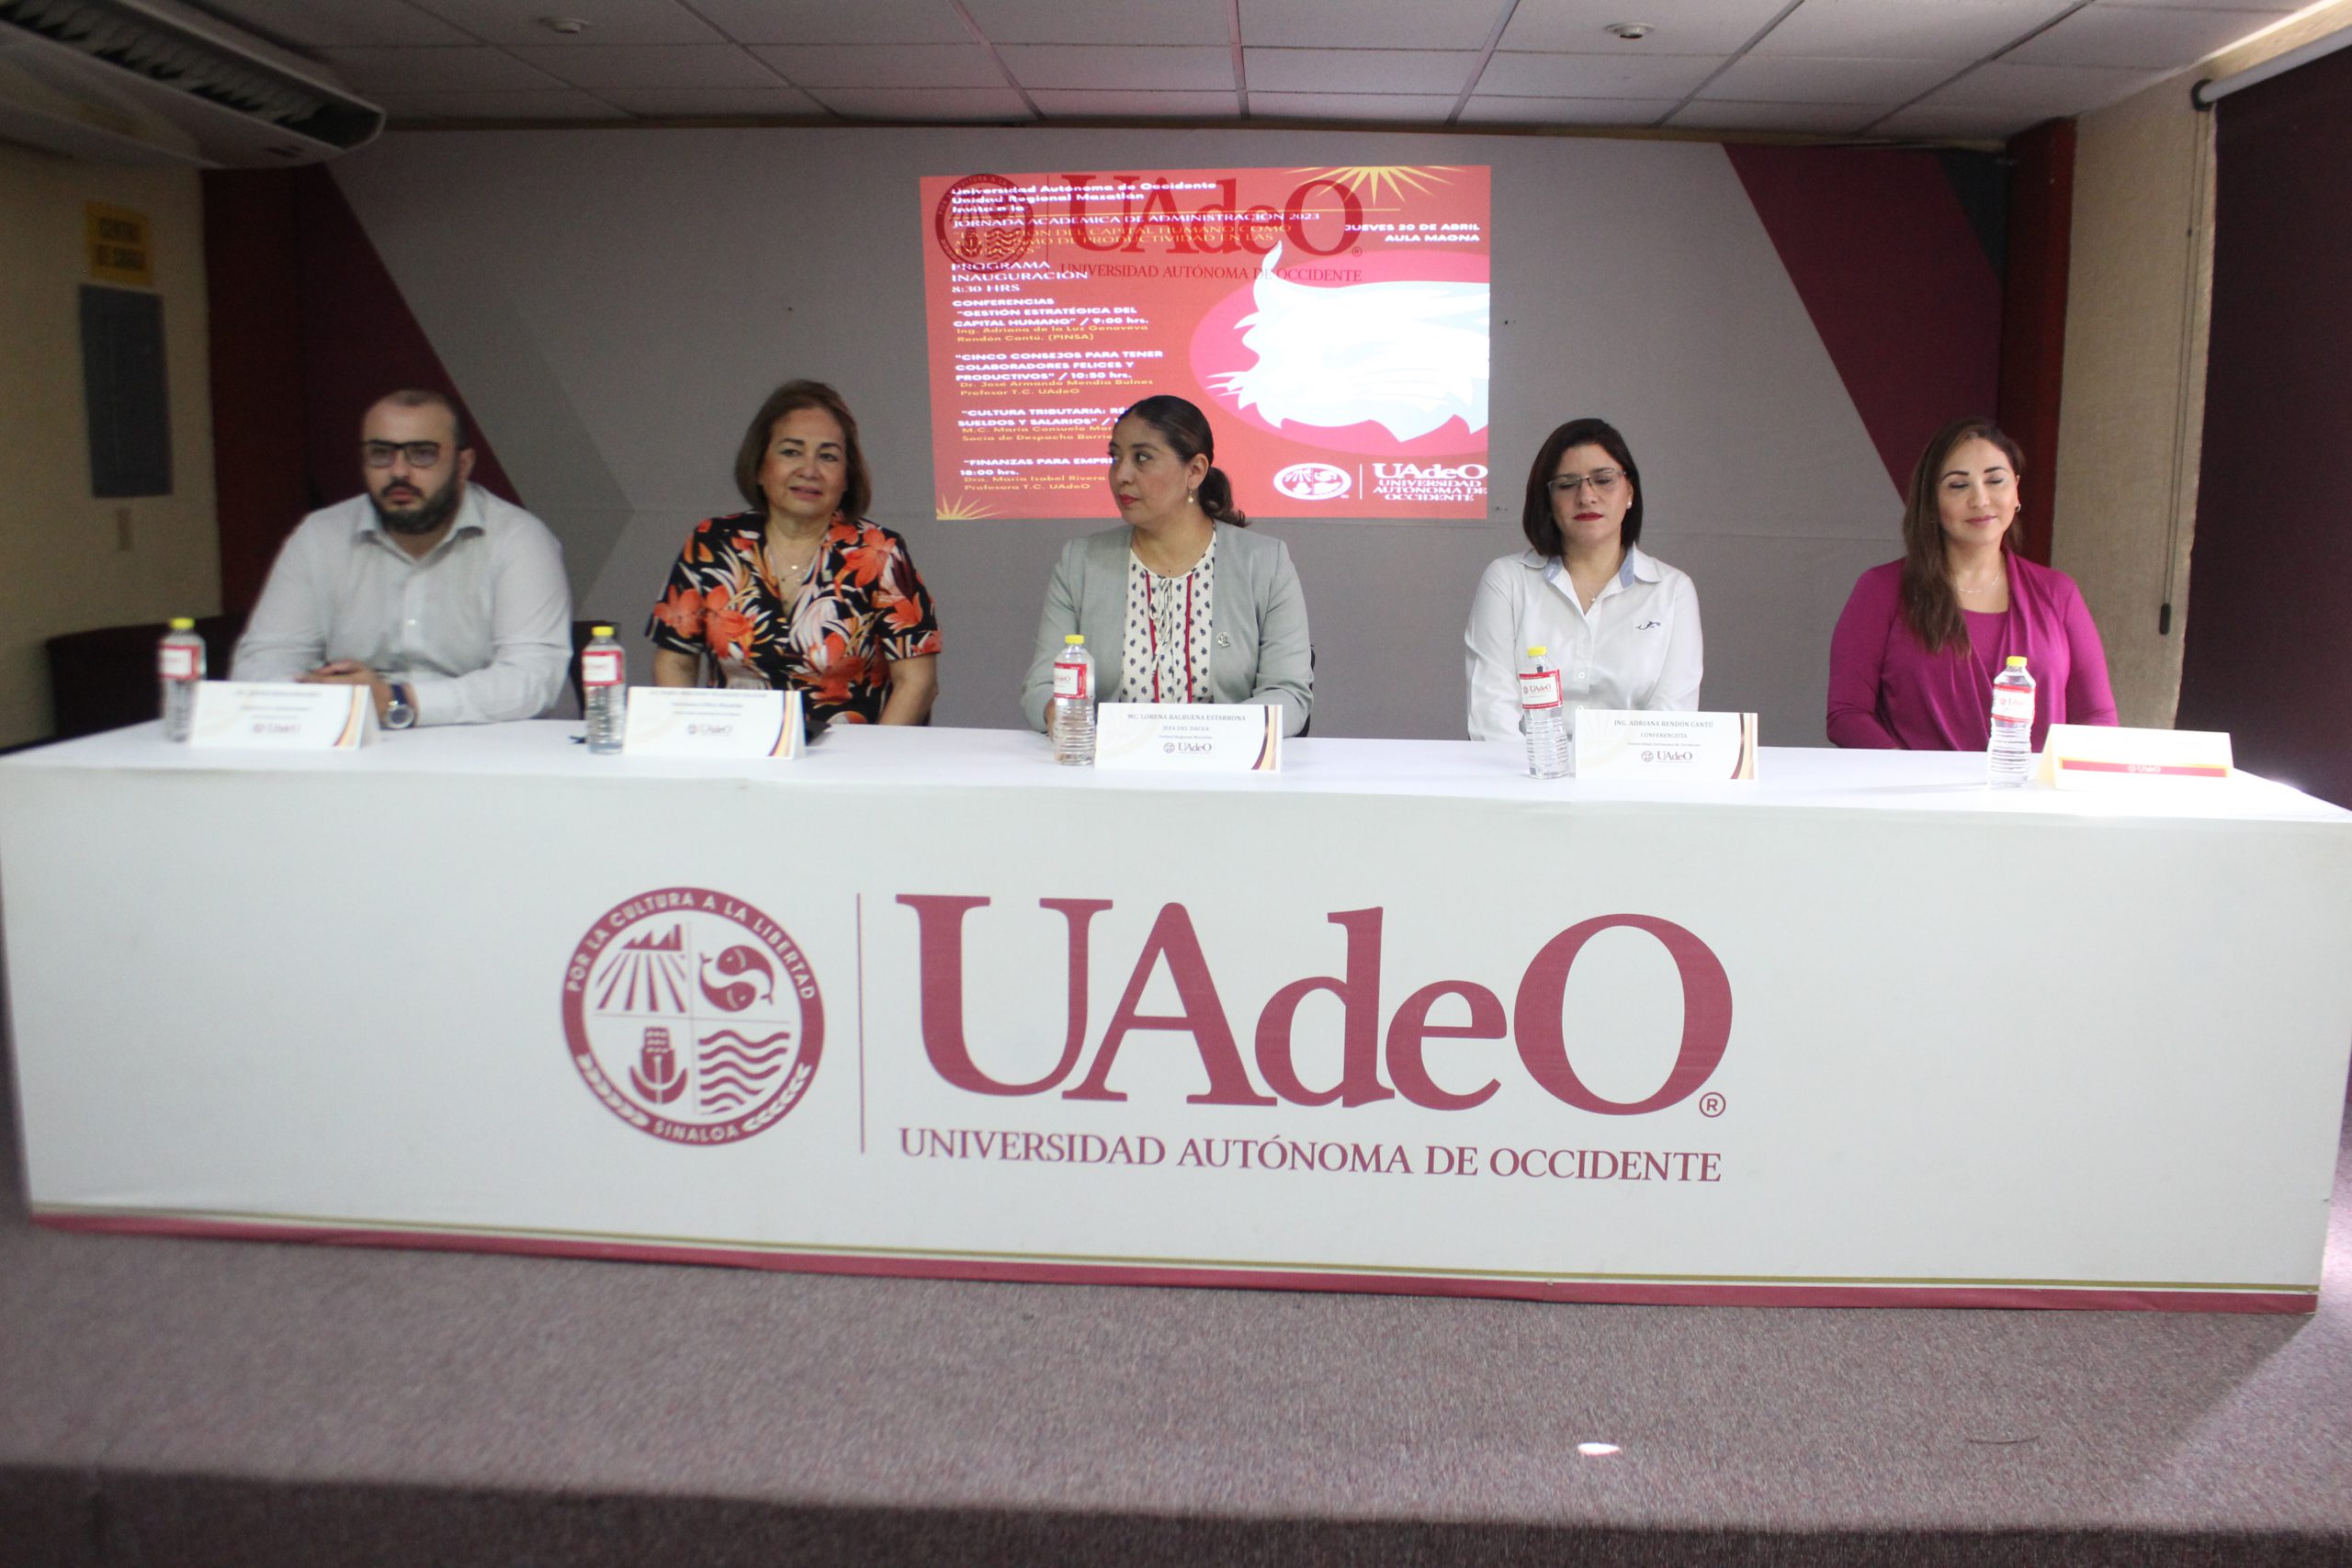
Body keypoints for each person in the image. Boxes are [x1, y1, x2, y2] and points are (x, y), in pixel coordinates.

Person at [232, 389, 573, 729]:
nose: (399, 472)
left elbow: (532, 678)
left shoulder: (519, 539)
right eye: (381, 453)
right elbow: (261, 662)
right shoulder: (320, 536)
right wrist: (320, 695)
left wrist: (396, 700)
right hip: (356, 744)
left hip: (492, 750)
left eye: (422, 454)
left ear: (463, 464)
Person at [648, 380, 939, 727]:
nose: (809, 470)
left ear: (847, 477)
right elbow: (675, 661)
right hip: (735, 755)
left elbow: (917, 682)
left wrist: (872, 767)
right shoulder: (712, 543)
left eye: (828, 456)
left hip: (851, 763)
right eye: (791, 451)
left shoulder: (878, 552)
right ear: (759, 466)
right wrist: (690, 739)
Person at [1020, 395, 1311, 736]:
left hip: (1226, 772)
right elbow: (1041, 687)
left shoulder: (1263, 563)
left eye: (1142, 458)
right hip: (1110, 772)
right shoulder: (1081, 562)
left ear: (1195, 471)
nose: (1121, 475)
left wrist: (1203, 737)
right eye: (1115, 457)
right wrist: (1057, 711)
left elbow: (1289, 695)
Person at [1827, 417, 2116, 749]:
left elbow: (2098, 717)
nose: (1980, 500)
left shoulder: (2058, 593)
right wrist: (1908, 777)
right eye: (1958, 485)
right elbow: (1846, 714)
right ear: (1931, 501)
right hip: (1916, 796)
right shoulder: (1881, 589)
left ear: (2016, 489)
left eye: (1995, 480)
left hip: (2031, 796)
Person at [1462, 417, 1702, 740]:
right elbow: (1492, 715)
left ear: (1629, 490)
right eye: (1567, 484)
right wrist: (1539, 782)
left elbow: (1672, 720)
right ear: (1547, 500)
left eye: (1603, 480)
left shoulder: (1671, 590)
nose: (1586, 496)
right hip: (1525, 780)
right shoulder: (1507, 580)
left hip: (1630, 782)